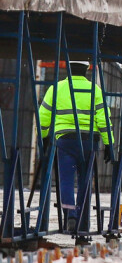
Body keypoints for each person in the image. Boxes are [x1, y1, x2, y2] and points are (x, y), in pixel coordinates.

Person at [37, 62, 113, 235]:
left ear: (68, 70)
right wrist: (109, 143)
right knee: (85, 180)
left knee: (66, 180)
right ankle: (83, 222)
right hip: (88, 142)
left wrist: (44, 137)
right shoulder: (95, 90)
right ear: (86, 71)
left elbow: (43, 116)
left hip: (65, 141)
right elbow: (103, 119)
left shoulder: (57, 88)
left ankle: (70, 215)